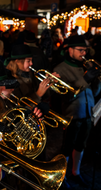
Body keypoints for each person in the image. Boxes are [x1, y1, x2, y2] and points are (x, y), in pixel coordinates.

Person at [53, 35, 101, 188]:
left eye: (85, 50)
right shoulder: (60, 69)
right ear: (70, 50)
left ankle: (76, 172)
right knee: (67, 146)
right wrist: (86, 79)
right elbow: (65, 94)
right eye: (80, 50)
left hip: (88, 112)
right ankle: (63, 176)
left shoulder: (85, 66)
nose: (83, 54)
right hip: (72, 114)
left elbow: (94, 92)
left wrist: (96, 80)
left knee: (81, 145)